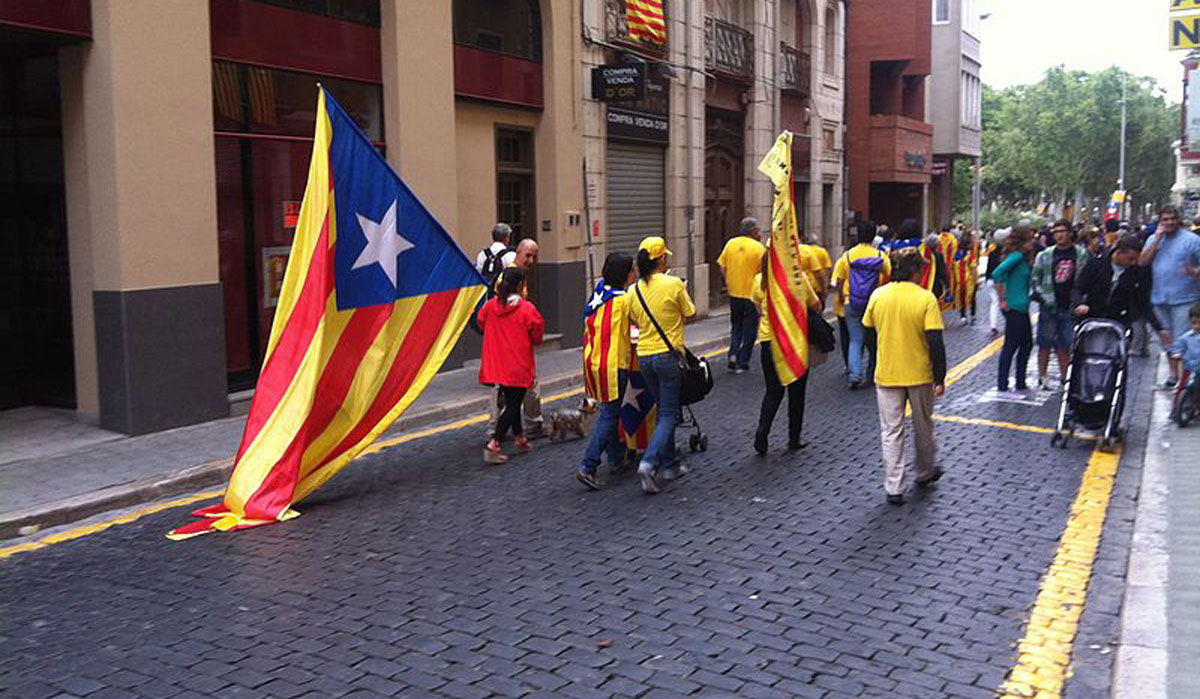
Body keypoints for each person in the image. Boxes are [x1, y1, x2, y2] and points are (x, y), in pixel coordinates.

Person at [863, 247, 947, 505]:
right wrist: (940, 376)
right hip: (919, 373)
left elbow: (869, 333)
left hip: (887, 372)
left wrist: (880, 356)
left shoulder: (878, 295)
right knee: (923, 426)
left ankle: (894, 486)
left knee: (891, 430)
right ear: (917, 270)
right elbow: (935, 341)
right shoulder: (926, 299)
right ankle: (924, 471)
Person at [627, 236, 696, 494]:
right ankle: (649, 462)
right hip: (668, 356)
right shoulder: (673, 284)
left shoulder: (633, 289)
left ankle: (671, 464)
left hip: (644, 357)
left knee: (663, 411)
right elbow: (690, 312)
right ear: (662, 259)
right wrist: (682, 291)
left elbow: (634, 317)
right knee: (669, 414)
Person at [751, 251, 821, 454]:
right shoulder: (798, 278)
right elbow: (814, 304)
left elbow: (758, 308)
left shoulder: (759, 280)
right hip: (794, 343)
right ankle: (793, 438)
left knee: (773, 391)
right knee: (796, 393)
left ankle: (762, 434)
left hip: (768, 342)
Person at [576, 253, 635, 490]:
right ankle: (588, 465)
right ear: (625, 274)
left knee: (612, 410)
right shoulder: (624, 301)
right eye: (632, 270)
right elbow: (635, 329)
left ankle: (616, 456)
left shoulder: (598, 294)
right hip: (614, 364)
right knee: (610, 414)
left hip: (593, 361)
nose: (635, 274)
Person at [478, 268, 544, 464]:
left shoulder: (490, 306)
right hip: (518, 363)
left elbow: (481, 324)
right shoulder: (527, 308)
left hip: (498, 363)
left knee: (511, 401)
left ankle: (519, 438)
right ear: (521, 285)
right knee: (514, 405)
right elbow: (537, 335)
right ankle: (494, 444)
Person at [487, 238, 545, 437]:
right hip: (512, 346)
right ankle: (499, 432)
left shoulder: (517, 276)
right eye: (528, 255)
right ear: (518, 253)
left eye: (534, 256)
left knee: (510, 390)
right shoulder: (508, 277)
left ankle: (514, 430)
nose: (531, 260)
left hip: (510, 344)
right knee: (516, 388)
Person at [1140, 205, 1200, 387]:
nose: (1169, 223)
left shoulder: (1192, 240)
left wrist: (1195, 272)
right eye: (1165, 220)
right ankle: (1173, 374)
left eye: (1172, 219)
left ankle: (1186, 377)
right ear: (1159, 221)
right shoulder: (1153, 239)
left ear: (1178, 220)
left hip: (1185, 298)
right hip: (1159, 298)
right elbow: (1142, 261)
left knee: (1183, 339)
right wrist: (1157, 239)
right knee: (1166, 340)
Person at [1073, 234, 1169, 342]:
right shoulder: (1096, 264)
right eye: (1130, 259)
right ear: (1118, 252)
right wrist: (1079, 304)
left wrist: (1158, 328)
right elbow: (1078, 288)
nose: (1133, 262)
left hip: (1118, 322)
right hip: (1091, 319)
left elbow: (1142, 301)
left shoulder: (1135, 272)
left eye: (1136, 259)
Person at [832, 221, 891, 388]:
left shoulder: (848, 256)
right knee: (874, 340)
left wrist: (840, 297)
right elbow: (891, 275)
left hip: (852, 301)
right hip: (874, 303)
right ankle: (871, 373)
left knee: (855, 341)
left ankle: (854, 374)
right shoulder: (880, 256)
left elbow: (839, 279)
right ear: (874, 236)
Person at [1031, 219, 1088, 390]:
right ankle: (1042, 376)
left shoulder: (1081, 254)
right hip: (1049, 306)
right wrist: (1043, 298)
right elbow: (1035, 280)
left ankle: (1065, 378)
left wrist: (1082, 301)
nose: (1060, 235)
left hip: (1070, 306)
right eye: (1056, 232)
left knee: (1066, 344)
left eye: (1063, 231)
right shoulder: (1045, 255)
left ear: (1070, 232)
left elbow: (1085, 279)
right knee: (1044, 343)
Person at [717, 218, 766, 373]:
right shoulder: (759, 248)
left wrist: (728, 280)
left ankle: (732, 354)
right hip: (751, 296)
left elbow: (721, 264)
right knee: (750, 331)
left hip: (734, 294)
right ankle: (742, 361)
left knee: (736, 327)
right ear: (752, 231)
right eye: (758, 230)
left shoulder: (731, 243)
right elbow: (764, 272)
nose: (759, 233)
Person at [993, 226, 1035, 398]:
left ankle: (1020, 382)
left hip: (1021, 307)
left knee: (1026, 345)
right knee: (1011, 346)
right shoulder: (1017, 256)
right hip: (1015, 307)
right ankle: (1003, 386)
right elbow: (997, 273)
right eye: (1030, 239)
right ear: (1022, 241)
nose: (1033, 242)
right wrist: (1002, 299)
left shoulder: (1021, 257)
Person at [1169, 303, 1200, 419]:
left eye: (1199, 323)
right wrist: (1177, 354)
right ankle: (1175, 410)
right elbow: (1178, 347)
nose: (1197, 326)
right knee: (1181, 386)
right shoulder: (1186, 337)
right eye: (1194, 323)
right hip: (1189, 367)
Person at [984, 227, 1011, 337]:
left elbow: (989, 268)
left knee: (995, 302)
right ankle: (1009, 324)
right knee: (1005, 301)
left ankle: (993, 325)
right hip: (1001, 281)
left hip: (990, 279)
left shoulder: (992, 253)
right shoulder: (1006, 254)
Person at [954, 230, 980, 326]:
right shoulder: (970, 254)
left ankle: (963, 316)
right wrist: (976, 280)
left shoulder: (957, 253)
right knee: (972, 298)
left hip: (959, 280)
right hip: (968, 280)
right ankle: (973, 316)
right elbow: (973, 268)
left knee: (961, 298)